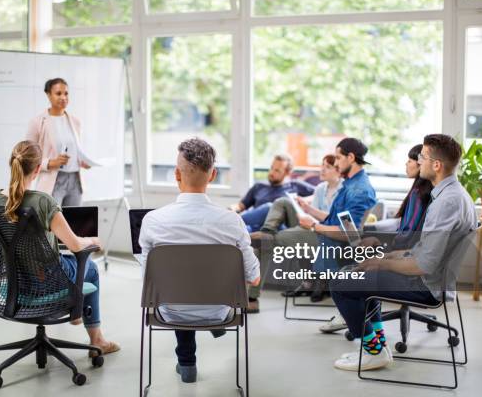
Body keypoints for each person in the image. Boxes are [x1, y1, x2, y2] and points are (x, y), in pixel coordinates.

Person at [329, 134, 477, 372]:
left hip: (426, 286)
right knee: (356, 275)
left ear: (436, 165)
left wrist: (381, 264)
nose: (419, 160)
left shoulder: (446, 202)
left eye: (422, 157)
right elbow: (424, 250)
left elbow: (423, 266)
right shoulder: (452, 195)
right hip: (432, 280)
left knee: (341, 282)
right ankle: (378, 349)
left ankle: (374, 352)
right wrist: (387, 257)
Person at [138, 138, 260, 384]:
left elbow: (148, 280)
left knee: (178, 290)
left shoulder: (153, 220)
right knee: (197, 285)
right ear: (213, 175)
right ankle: (198, 345)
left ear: (176, 175)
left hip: (170, 311)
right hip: (218, 311)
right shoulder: (231, 221)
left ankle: (186, 363)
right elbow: (254, 278)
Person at [0, 140, 119, 356]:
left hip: (14, 279)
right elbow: (75, 245)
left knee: (75, 263)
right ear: (39, 168)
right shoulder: (42, 201)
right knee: (92, 268)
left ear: (12, 164)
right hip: (45, 280)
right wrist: (91, 240)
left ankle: (77, 315)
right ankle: (96, 339)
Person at [247, 138, 376, 312]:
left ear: (351, 157)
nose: (336, 164)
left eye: (337, 158)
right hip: (324, 231)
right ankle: (266, 232)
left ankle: (252, 296)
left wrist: (314, 226)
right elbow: (337, 219)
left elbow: (349, 234)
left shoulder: (358, 190)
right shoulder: (351, 184)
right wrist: (309, 211)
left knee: (264, 242)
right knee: (282, 203)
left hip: (329, 242)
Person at [320, 144, 434, 334]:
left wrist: (384, 255)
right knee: (359, 266)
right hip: (403, 255)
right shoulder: (417, 192)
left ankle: (372, 344)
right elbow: (408, 233)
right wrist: (380, 244)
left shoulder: (424, 196)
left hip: (409, 264)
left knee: (349, 277)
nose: (406, 163)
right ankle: (377, 335)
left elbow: (414, 242)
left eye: (410, 160)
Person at [26, 78, 91, 206]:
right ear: (48, 95)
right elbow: (28, 157)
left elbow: (76, 150)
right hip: (52, 180)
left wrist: (82, 161)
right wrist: (50, 163)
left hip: (75, 180)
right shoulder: (37, 122)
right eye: (58, 93)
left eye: (66, 93)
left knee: (74, 223)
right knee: (52, 224)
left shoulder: (76, 122)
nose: (63, 97)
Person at [230, 154, 314, 232]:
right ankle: (232, 222)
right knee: (236, 231)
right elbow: (240, 206)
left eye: (277, 170)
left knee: (271, 207)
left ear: (287, 173)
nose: (272, 172)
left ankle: (231, 221)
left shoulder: (295, 185)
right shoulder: (259, 186)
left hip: (280, 227)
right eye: (272, 168)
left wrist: (303, 200)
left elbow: (318, 193)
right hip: (256, 227)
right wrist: (230, 209)